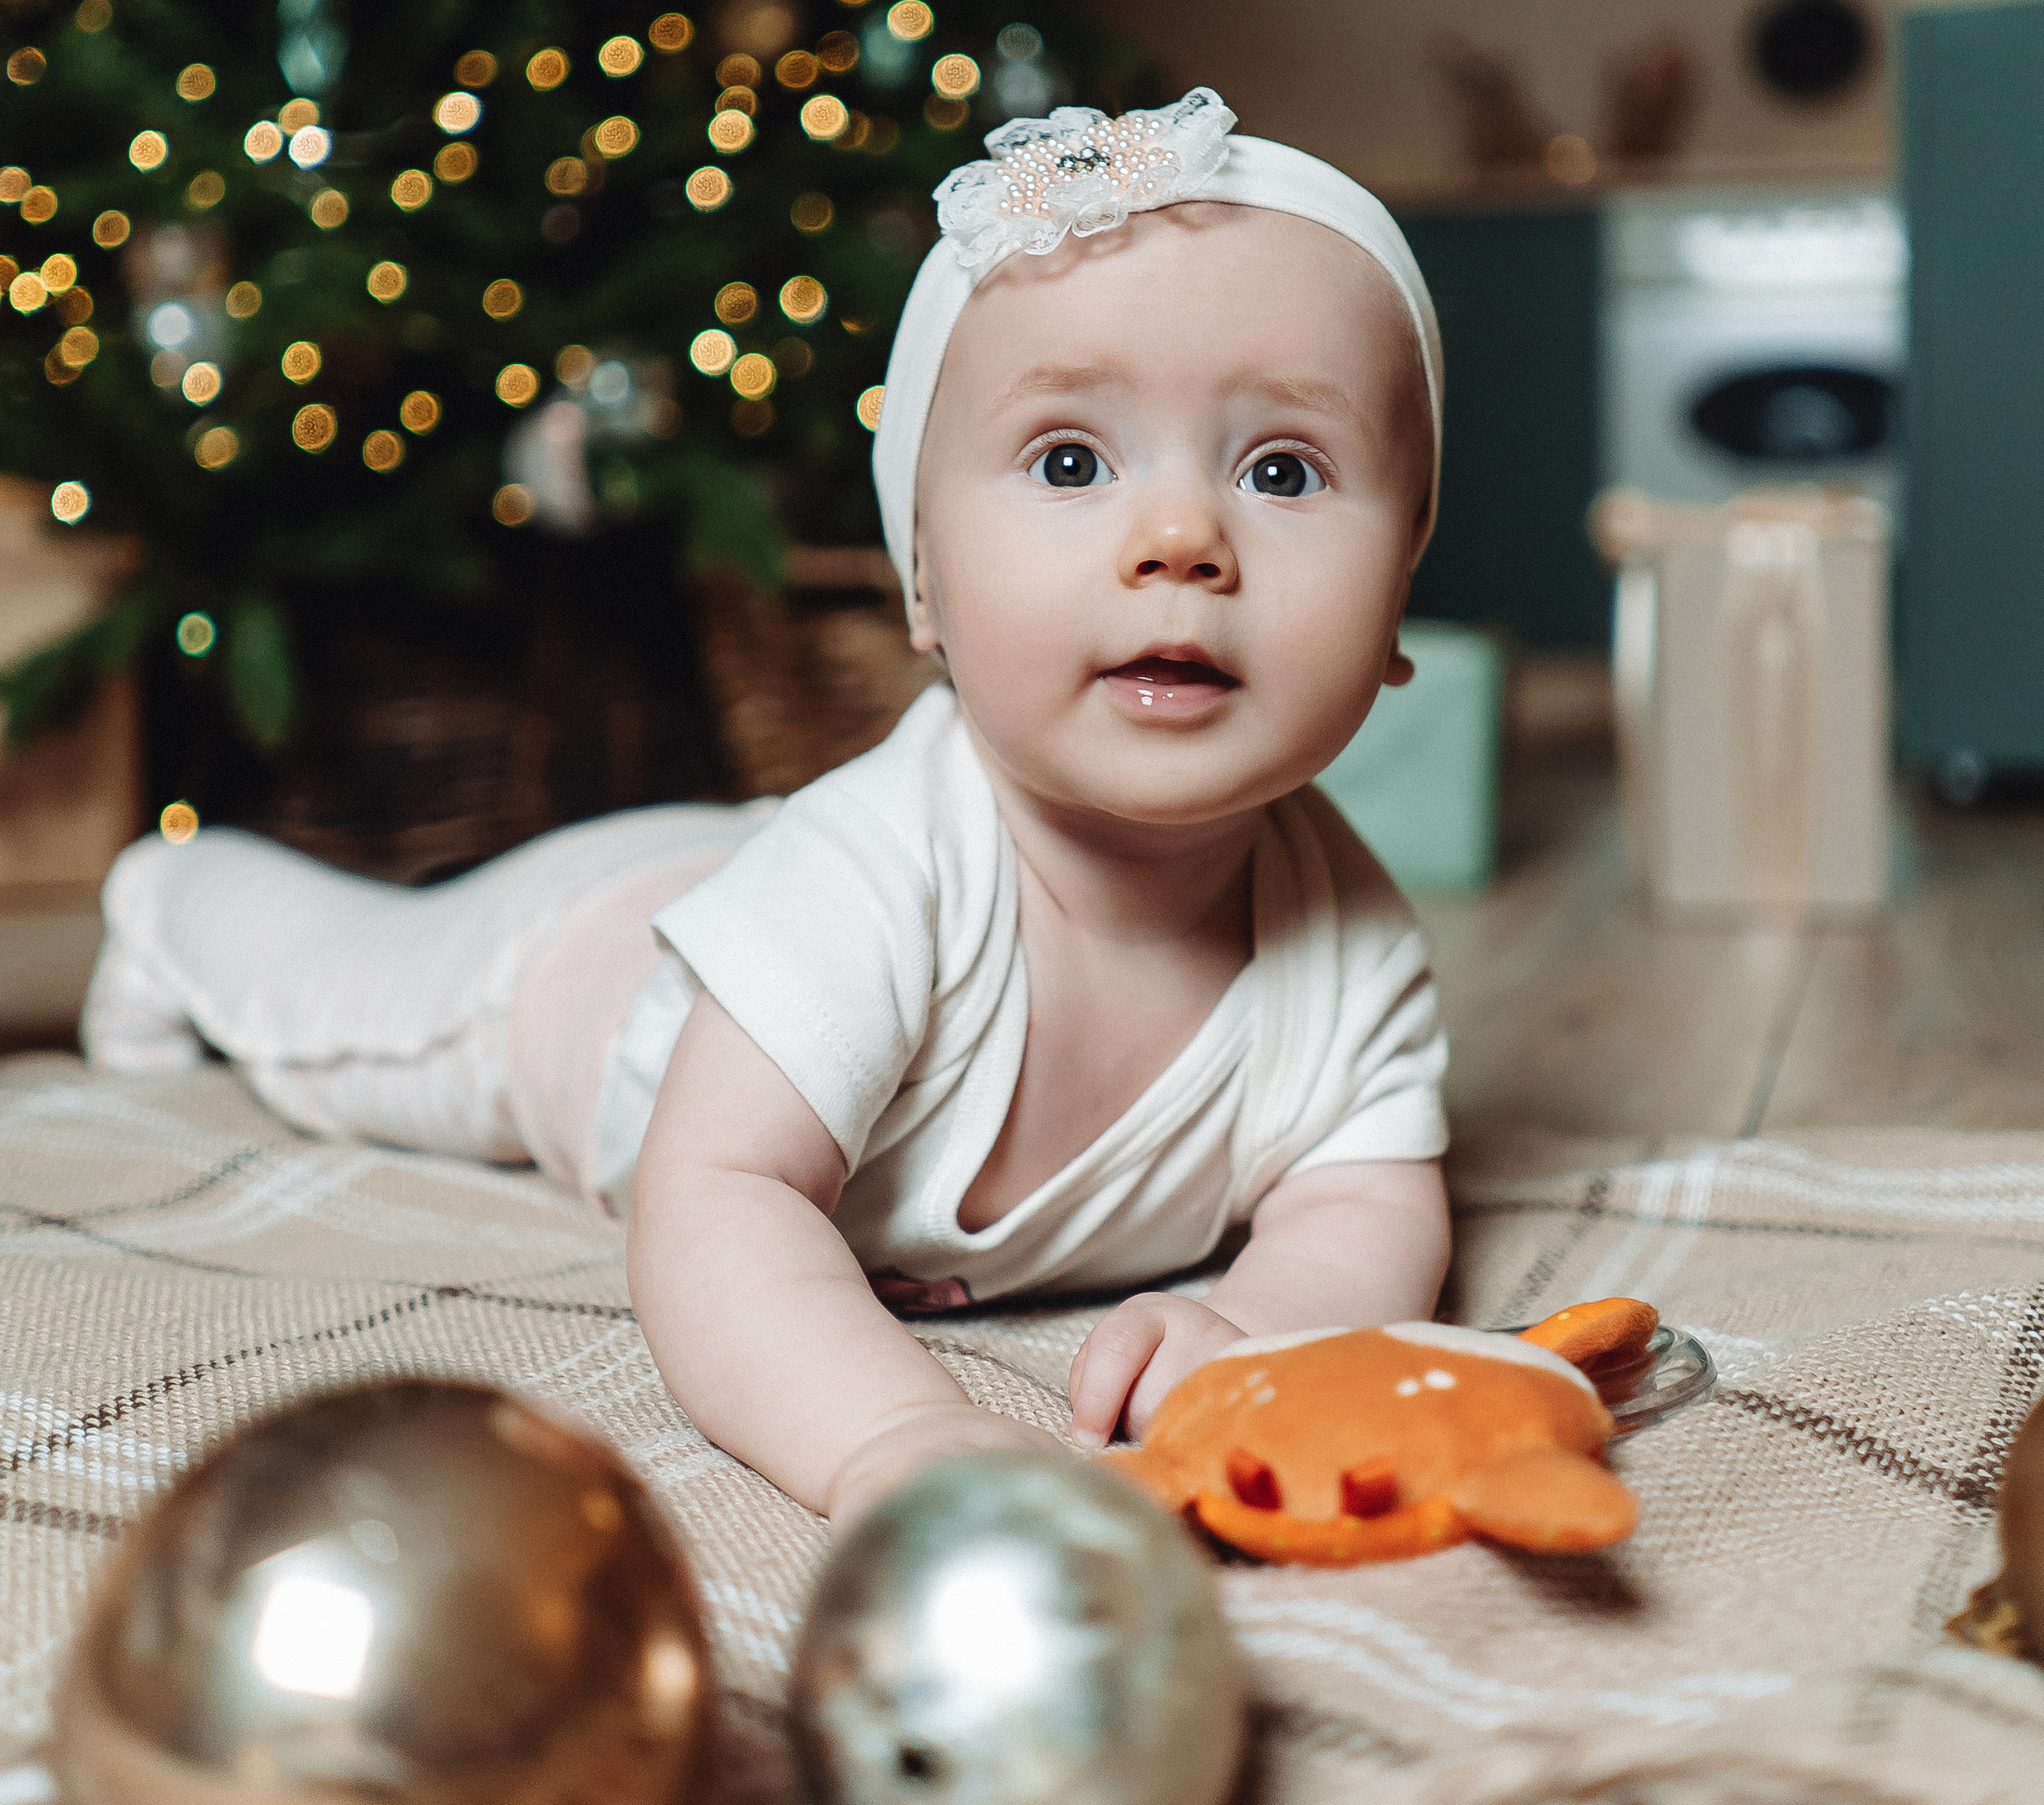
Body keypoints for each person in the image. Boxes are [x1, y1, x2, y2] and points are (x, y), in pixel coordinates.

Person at [85, 87, 1453, 1527]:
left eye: (1284, 470)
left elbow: (1366, 1204)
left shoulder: (1349, 945)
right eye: (1070, 461)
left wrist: (1260, 1335)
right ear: (922, 581)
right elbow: (720, 1197)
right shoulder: (882, 876)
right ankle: (172, 905)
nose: (1182, 540)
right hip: (595, 970)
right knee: (338, 1000)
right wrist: (893, 1434)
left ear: (1400, 595)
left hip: (760, 862)